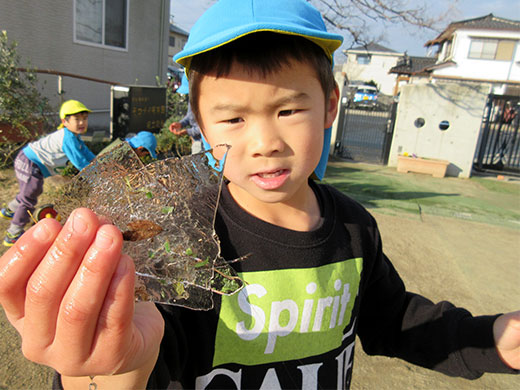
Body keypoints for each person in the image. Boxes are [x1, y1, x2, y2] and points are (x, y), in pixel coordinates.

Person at [0, 1, 518, 389]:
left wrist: (495, 338)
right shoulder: (182, 242)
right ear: (200, 125)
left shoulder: (355, 227)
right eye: (233, 118)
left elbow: (397, 321)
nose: (267, 143)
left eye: (289, 110)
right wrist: (111, 366)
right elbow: (145, 357)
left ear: (330, 105)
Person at [0, 99, 95, 247]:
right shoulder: (67, 138)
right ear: (65, 121)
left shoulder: (75, 137)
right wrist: (95, 175)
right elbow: (80, 162)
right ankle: (13, 233)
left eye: (84, 119)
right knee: (30, 196)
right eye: (77, 119)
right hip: (29, 162)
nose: (82, 123)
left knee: (29, 191)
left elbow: (87, 154)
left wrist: (99, 163)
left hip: (31, 161)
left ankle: (10, 210)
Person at [169, 74, 203, 154]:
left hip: (205, 143)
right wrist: (181, 124)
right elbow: (190, 116)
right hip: (196, 141)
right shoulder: (192, 100)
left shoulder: (205, 103)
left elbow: (204, 128)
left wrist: (187, 131)